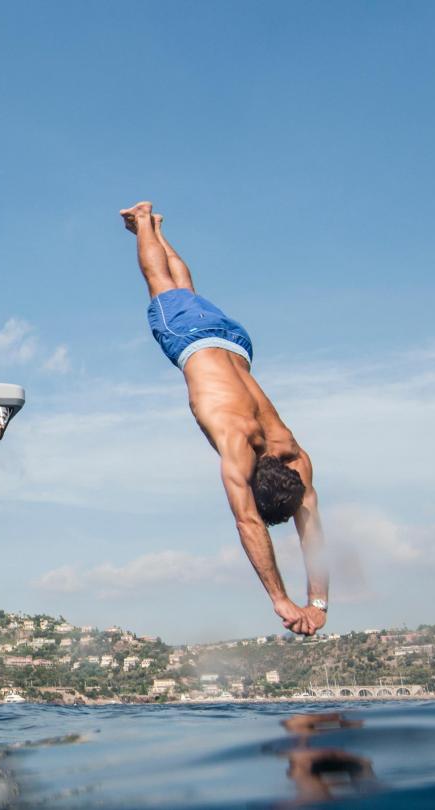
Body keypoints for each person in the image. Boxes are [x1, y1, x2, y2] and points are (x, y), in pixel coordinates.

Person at [121, 201, 328, 636]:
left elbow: (312, 530)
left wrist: (318, 602)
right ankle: (142, 221)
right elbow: (249, 521)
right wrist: (281, 600)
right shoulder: (243, 447)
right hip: (196, 342)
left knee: (185, 289)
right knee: (160, 283)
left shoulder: (293, 454)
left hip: (236, 343)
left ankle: (156, 227)